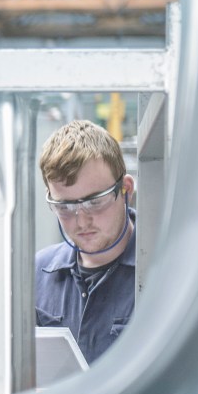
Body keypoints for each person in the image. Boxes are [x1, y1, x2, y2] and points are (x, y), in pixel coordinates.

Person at [34, 119, 136, 364]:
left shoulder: (164, 269)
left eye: (94, 201)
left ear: (126, 190)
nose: (81, 221)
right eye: (65, 206)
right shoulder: (38, 274)